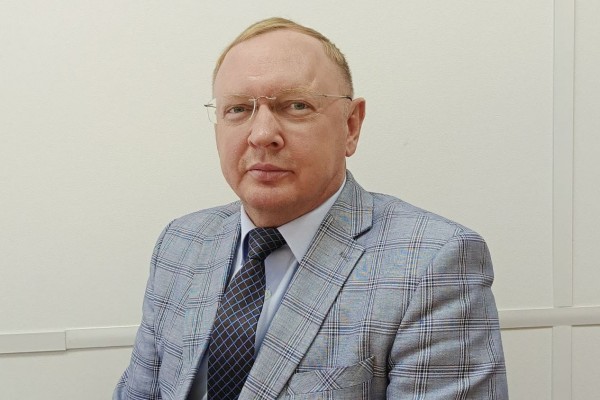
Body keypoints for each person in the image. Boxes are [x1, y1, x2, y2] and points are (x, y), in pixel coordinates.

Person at [114, 17, 508, 400]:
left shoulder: (434, 263)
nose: (262, 135)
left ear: (350, 126)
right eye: (238, 109)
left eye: (296, 105)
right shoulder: (180, 243)